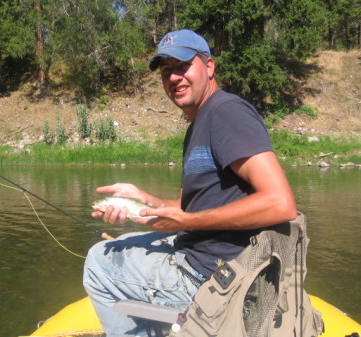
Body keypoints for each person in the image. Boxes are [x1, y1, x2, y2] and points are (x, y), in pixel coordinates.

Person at [83, 29, 297, 337]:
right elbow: (188, 207)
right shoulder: (199, 123)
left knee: (97, 262)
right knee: (120, 242)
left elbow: (281, 204)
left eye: (183, 66)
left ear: (209, 67)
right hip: (200, 254)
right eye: (167, 71)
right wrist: (141, 200)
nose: (174, 78)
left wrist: (189, 221)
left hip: (214, 275)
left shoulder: (226, 113)